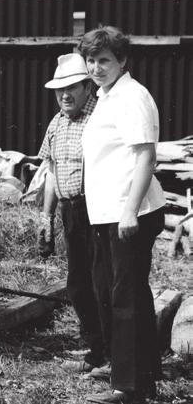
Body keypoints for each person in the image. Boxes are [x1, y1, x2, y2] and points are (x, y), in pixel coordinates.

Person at [78, 26, 165, 404]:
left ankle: (129, 389)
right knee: (118, 293)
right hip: (107, 212)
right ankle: (141, 374)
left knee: (125, 296)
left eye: (104, 60)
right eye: (91, 60)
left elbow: (146, 155)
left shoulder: (133, 96)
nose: (96, 67)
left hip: (130, 212)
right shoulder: (106, 97)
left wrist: (130, 210)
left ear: (122, 61)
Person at [36, 53, 107, 373]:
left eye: (73, 88)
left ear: (87, 87)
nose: (65, 95)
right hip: (69, 210)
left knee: (101, 280)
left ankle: (110, 352)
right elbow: (50, 172)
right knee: (78, 282)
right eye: (59, 89)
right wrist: (46, 218)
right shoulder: (57, 122)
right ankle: (93, 346)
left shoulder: (101, 118)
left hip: (98, 209)